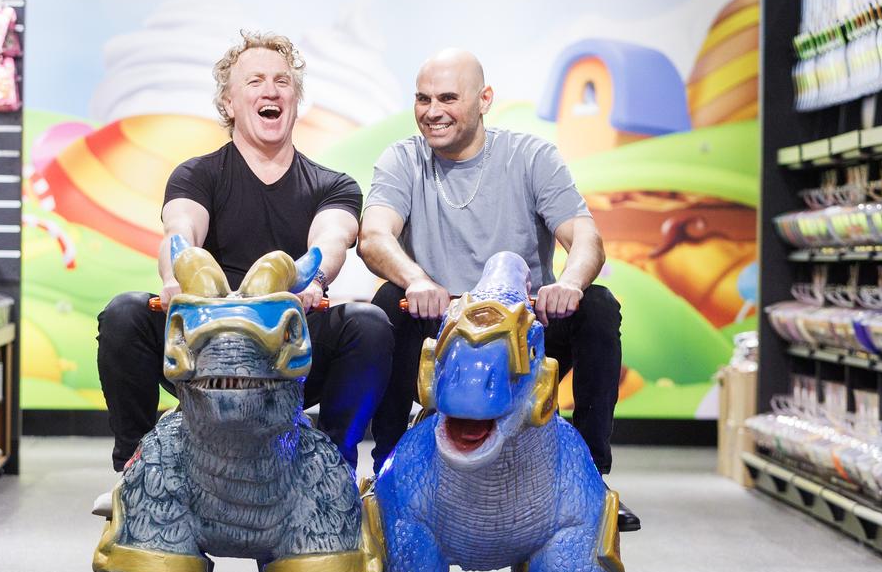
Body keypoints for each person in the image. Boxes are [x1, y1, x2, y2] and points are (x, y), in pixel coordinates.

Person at [358, 48, 639, 531]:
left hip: (522, 333)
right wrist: (418, 280)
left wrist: (569, 283)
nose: (433, 111)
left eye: (448, 97)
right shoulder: (403, 159)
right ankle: (388, 471)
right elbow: (374, 235)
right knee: (389, 304)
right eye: (423, 99)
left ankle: (591, 474)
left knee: (597, 306)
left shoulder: (532, 156)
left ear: (484, 99)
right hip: (442, 330)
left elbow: (585, 236)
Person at [97, 31, 393, 471]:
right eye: (254, 82)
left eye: (282, 81)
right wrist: (174, 281)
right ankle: (135, 466)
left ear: (295, 99)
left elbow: (331, 239)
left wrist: (312, 281)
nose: (270, 90)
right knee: (124, 314)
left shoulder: (335, 185)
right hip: (206, 344)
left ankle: (334, 467)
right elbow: (180, 231)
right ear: (229, 104)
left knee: (369, 324)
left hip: (289, 348)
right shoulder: (196, 175)